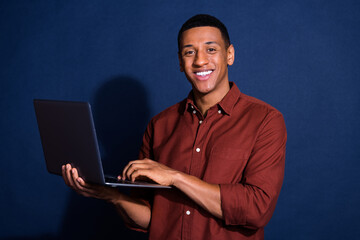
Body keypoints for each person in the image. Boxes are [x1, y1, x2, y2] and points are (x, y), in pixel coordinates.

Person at [62, 14, 287, 240]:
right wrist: (111, 195)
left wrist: (175, 177)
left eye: (211, 50)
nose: (200, 61)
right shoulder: (160, 125)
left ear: (229, 55)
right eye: (190, 52)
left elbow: (257, 210)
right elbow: (152, 217)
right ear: (180, 62)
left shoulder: (265, 120)